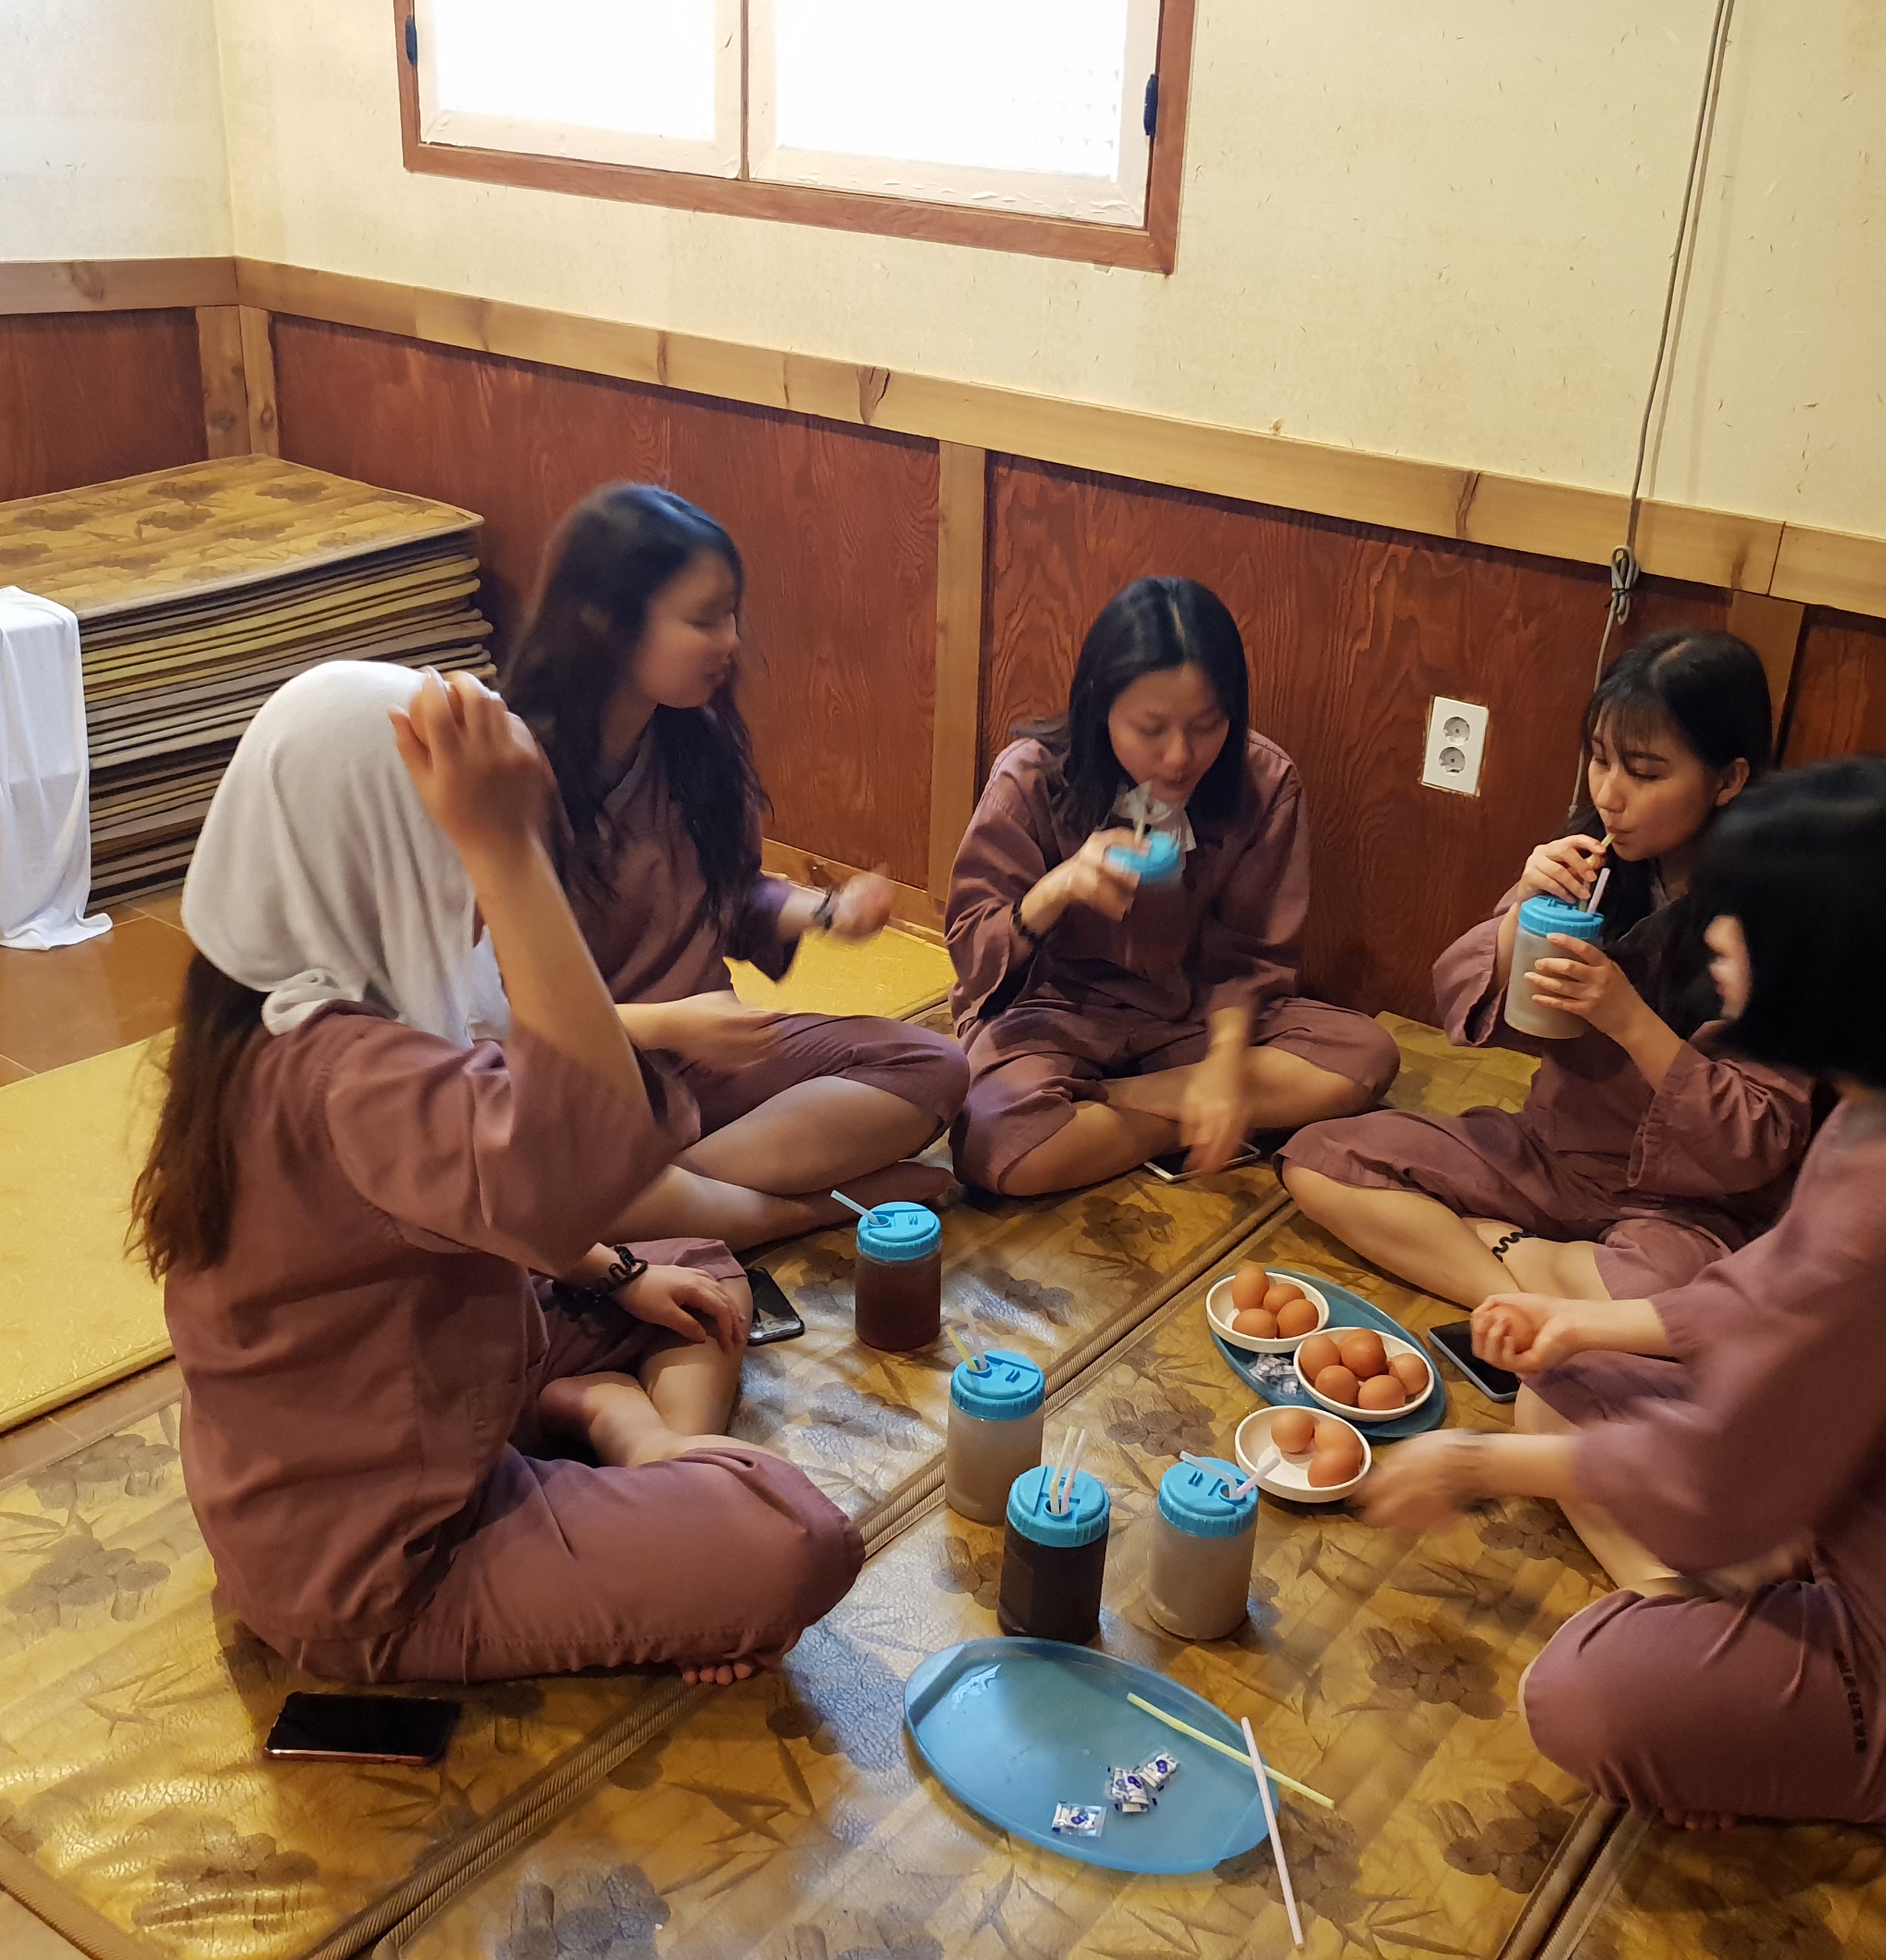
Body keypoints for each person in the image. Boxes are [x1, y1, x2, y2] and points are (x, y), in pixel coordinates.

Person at [1359, 756, 1886, 1827]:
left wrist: (1468, 1465)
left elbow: (1722, 1474)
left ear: (1827, 963)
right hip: (1866, 1502)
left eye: (1742, 933)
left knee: (1583, 1694)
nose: (1717, 950)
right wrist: (1580, 1323)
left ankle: (1739, 1663)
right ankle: (1729, 1622)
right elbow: (1770, 1288)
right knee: (1559, 1384)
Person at [135, 661, 861, 1684]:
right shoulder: (349, 1075)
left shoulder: (268, 1001)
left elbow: (513, 1195)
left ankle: (592, 1415)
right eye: (459, 860)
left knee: (690, 1274)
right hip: (385, 1570)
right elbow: (578, 1157)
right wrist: (506, 852)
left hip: (419, 1400)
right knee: (791, 1539)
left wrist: (617, 1273)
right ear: (378, 857)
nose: (481, 905)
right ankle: (628, 1444)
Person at [1283, 629, 1812, 1308]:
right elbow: (1463, 1006)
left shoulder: (1777, 919)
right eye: (1599, 759)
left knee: (1677, 1294)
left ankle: (1493, 1250)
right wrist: (1522, 913)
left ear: (1729, 779)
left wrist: (1628, 1019)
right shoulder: (1590, 868)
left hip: (1685, 1207)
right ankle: (1522, 1301)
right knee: (1320, 1160)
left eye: (1646, 772)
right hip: (1552, 1157)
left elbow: (1756, 1142)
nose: (1611, 794)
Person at [502, 485, 969, 1248]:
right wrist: (669, 1025)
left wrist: (826, 913)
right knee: (524, 1162)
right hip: (582, 1084)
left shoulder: (693, 741)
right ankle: (787, 1210)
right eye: (704, 620)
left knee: (934, 1065)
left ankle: (649, 1204)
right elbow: (487, 1018)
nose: (731, 642)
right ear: (606, 623)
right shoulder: (515, 775)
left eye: (731, 616)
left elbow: (727, 894)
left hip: (705, 1063)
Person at [944, 577, 1398, 1194]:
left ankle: (1110, 1108)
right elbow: (973, 954)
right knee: (994, 1143)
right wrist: (1057, 889)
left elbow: (1250, 960)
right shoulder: (1031, 779)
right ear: (1099, 708)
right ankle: (1184, 1116)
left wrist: (1223, 1066)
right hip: (1056, 1013)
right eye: (1151, 728)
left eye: (1207, 725)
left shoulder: (1264, 783)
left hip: (1193, 1018)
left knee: (1366, 1054)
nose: (1181, 757)